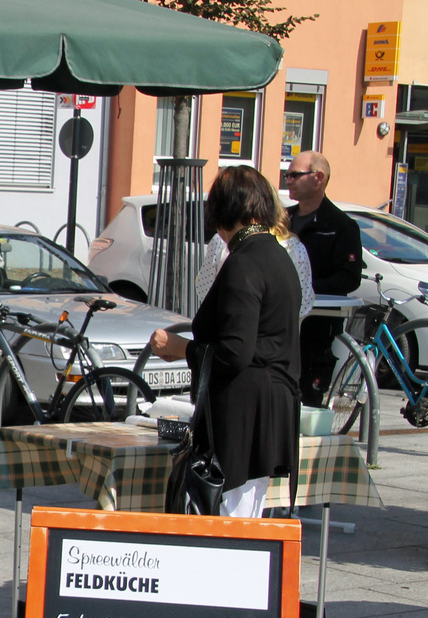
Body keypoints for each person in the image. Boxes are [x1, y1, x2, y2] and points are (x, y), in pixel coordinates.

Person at [150, 166, 300, 518]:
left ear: (223, 211)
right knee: (248, 513)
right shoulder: (279, 256)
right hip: (270, 408)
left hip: (243, 415)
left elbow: (235, 352)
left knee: (233, 519)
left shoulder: (244, 263)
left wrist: (179, 348)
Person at [283, 151, 363, 406]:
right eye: (287, 175)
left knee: (307, 403)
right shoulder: (282, 220)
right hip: (280, 327)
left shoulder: (340, 225)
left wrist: (304, 289)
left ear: (318, 178)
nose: (288, 180)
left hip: (316, 331)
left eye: (295, 175)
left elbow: (348, 279)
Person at [195, 182, 315, 319]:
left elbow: (204, 290)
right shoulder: (295, 248)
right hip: (279, 334)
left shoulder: (221, 241)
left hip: (227, 328)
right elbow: (303, 305)